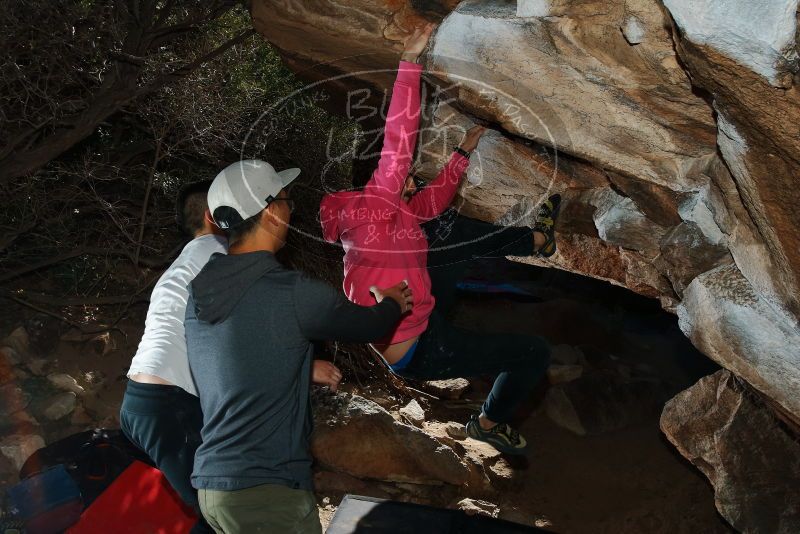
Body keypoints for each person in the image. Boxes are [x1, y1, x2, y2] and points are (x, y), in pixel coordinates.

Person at [319, 23, 560, 455]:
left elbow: (431, 203)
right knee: (532, 352)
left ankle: (537, 241)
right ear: (378, 181)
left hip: (419, 317)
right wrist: (410, 63)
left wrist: (463, 151)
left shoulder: (389, 216)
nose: (410, 177)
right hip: (420, 349)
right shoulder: (375, 209)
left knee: (444, 231)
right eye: (400, 177)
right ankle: (488, 422)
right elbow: (398, 144)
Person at [185, 159, 413, 533]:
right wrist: (391, 301)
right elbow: (369, 324)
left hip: (213, 485)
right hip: (267, 490)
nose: (292, 209)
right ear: (273, 212)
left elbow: (241, 360)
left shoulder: (200, 289)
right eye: (288, 200)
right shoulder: (290, 292)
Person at [120, 181, 344, 534]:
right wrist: (303, 366)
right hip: (169, 402)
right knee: (227, 502)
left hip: (144, 401)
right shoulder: (223, 257)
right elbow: (245, 334)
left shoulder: (183, 264)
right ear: (217, 217)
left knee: (217, 509)